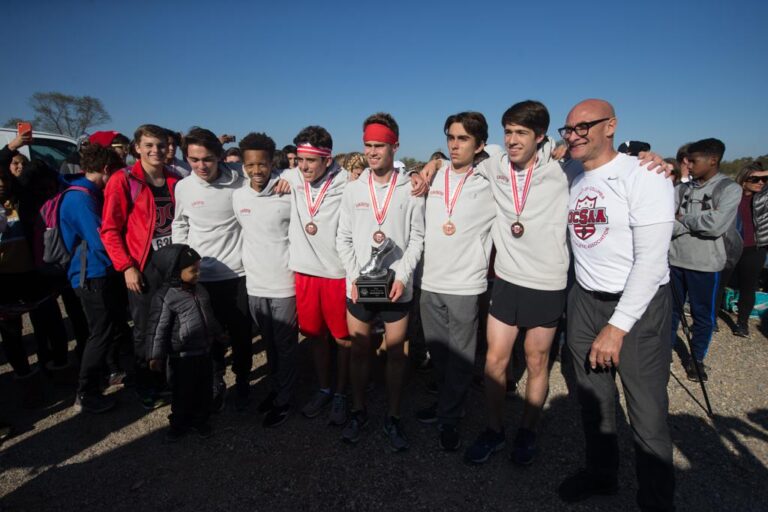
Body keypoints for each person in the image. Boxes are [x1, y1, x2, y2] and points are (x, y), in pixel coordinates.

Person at [558, 99, 676, 512]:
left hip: (636, 309)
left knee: (646, 412)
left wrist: (618, 327)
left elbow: (652, 261)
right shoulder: (571, 171)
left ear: (611, 126)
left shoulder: (645, 174)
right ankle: (602, 474)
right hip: (586, 300)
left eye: (582, 127)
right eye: (567, 129)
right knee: (594, 400)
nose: (573, 135)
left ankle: (657, 501)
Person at [456, 101, 570, 465]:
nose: (512, 140)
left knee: (537, 362)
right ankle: (494, 430)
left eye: (521, 133)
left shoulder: (564, 167)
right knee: (494, 361)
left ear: (540, 136)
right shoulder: (494, 164)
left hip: (547, 282)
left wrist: (654, 161)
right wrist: (427, 166)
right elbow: (458, 157)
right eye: (508, 131)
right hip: (506, 279)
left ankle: (528, 431)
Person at [337, 112, 425, 450]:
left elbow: (417, 237)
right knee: (359, 352)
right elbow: (343, 237)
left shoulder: (411, 188)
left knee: (395, 355)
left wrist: (402, 276)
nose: (373, 152)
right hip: (360, 287)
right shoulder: (354, 187)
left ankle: (393, 416)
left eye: (380, 146)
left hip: (396, 288)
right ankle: (359, 411)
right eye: (368, 145)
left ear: (395, 146)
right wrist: (355, 275)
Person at [416, 111, 495, 452]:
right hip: (430, 280)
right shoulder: (434, 177)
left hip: (466, 283)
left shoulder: (492, 179)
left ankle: (450, 416)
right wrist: (433, 162)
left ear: (480, 144)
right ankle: (450, 402)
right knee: (439, 352)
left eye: (463, 138)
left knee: (462, 355)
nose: (454, 145)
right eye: (450, 137)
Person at [172, 127, 253, 412]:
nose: (200, 166)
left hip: (238, 273)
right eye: (193, 160)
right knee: (209, 334)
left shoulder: (239, 180)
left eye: (207, 159)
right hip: (202, 276)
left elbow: (267, 177)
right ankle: (217, 379)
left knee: (242, 333)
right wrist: (182, 260)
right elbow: (179, 223)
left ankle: (244, 380)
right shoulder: (183, 187)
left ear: (219, 156)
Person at [101, 124, 182, 409]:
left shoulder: (174, 178)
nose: (155, 150)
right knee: (147, 328)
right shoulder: (124, 180)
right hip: (143, 264)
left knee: (173, 324)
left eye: (161, 145)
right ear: (136, 147)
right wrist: (126, 267)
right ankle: (147, 384)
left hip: (173, 262)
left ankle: (169, 380)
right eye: (149, 145)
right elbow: (110, 229)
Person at [282, 126, 352, 425]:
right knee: (315, 336)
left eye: (312, 160)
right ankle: (324, 388)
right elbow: (245, 174)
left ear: (328, 159)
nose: (305, 167)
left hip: (337, 273)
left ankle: (341, 393)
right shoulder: (288, 178)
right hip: (305, 272)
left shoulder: (348, 182)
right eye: (300, 159)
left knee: (343, 339)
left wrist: (428, 168)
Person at [233, 132, 298, 427]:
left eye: (262, 164)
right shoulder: (238, 196)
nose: (256, 170)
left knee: (285, 346)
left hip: (284, 282)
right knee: (269, 346)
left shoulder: (288, 191)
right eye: (250, 165)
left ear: (272, 162)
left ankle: (285, 400)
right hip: (255, 283)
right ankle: (275, 390)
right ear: (243, 165)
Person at [669, 138, 741, 382]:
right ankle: (662, 354)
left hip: (706, 265)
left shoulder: (729, 189)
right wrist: (692, 221)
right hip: (675, 260)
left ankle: (696, 358)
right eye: (686, 160)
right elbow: (668, 224)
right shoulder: (681, 189)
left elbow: (715, 226)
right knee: (670, 313)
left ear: (713, 160)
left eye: (693, 160)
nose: (688, 165)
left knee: (703, 315)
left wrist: (685, 219)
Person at [60, 144, 125, 413]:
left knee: (106, 329)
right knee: (100, 333)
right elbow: (101, 241)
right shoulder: (81, 199)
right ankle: (86, 393)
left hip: (94, 272)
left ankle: (108, 375)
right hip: (92, 275)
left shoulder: (84, 192)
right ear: (107, 169)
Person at [147, 244, 219, 442]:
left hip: (203, 352)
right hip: (182, 356)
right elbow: (157, 328)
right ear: (175, 272)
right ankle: (179, 423)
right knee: (182, 392)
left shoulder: (200, 290)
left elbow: (209, 317)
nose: (198, 273)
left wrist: (218, 335)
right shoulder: (166, 297)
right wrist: (155, 355)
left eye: (198, 268)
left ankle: (200, 420)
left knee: (204, 389)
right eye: (193, 270)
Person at [722, 162, 768, 337]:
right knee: (720, 284)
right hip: (730, 247)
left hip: (755, 248)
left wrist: (762, 172)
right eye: (755, 179)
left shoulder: (764, 197)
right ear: (743, 179)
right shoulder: (732, 195)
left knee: (748, 287)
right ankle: (711, 321)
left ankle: (742, 324)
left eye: (764, 179)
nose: (760, 183)